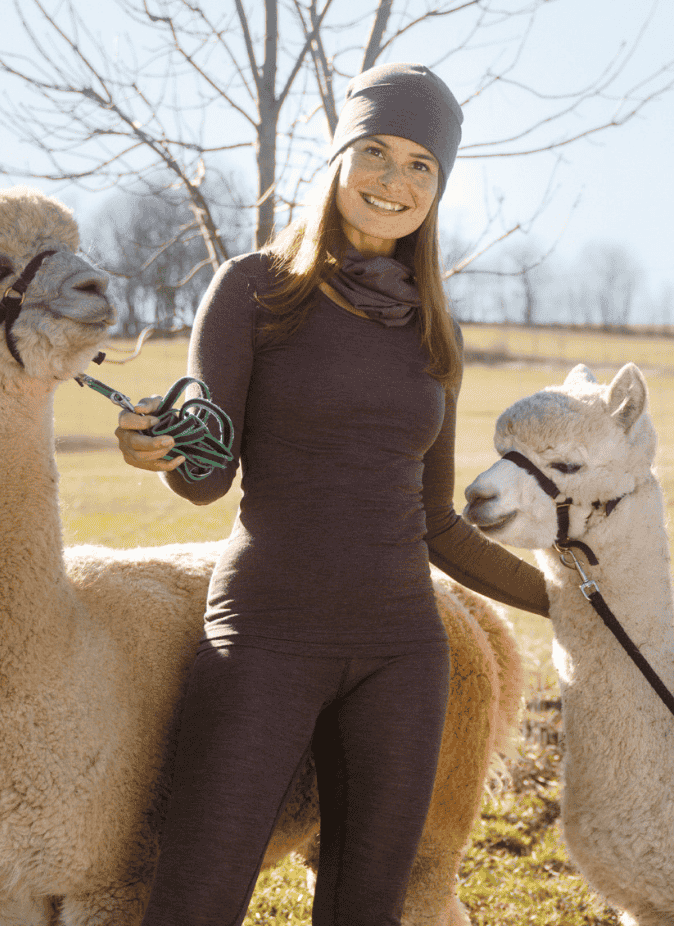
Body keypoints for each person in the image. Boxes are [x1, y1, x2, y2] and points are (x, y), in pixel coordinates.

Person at [115, 62, 549, 926]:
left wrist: (566, 602)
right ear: (340, 158)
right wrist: (158, 446)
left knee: (365, 910)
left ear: (439, 186)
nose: (395, 179)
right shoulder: (251, 289)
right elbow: (207, 477)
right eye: (377, 152)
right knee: (193, 902)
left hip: (401, 653)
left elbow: (434, 522)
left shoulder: (437, 328)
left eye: (421, 165)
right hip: (266, 635)